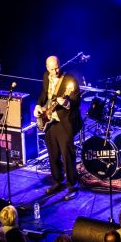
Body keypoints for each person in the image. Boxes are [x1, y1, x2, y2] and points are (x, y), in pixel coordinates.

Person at [33, 55, 83, 200]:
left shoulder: (69, 80)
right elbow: (44, 94)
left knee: (67, 154)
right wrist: (38, 105)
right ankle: (57, 181)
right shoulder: (46, 76)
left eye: (57, 67)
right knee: (53, 154)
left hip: (65, 121)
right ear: (47, 69)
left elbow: (76, 101)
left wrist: (66, 103)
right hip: (49, 120)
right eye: (52, 69)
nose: (56, 71)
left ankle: (72, 185)